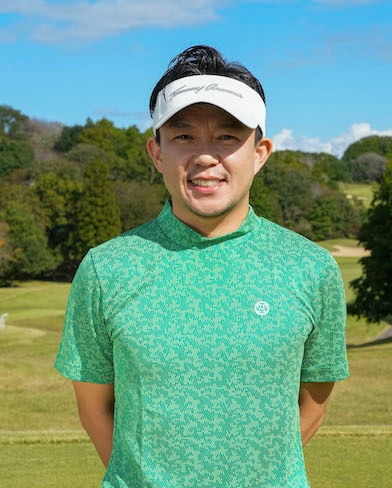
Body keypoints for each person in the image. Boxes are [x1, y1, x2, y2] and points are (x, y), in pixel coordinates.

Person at [55, 45, 349, 487]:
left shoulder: (311, 268)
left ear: (260, 152)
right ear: (157, 153)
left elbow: (313, 406)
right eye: (184, 137)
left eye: (228, 136)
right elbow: (94, 409)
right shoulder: (106, 269)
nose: (206, 156)